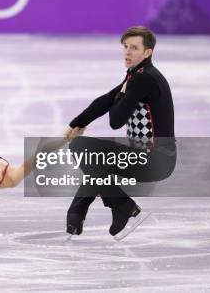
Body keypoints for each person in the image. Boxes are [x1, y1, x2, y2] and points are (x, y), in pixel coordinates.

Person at [65, 26, 176, 240]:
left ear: (147, 52)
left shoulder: (145, 79)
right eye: (125, 47)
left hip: (155, 160)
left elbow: (116, 120)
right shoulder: (138, 75)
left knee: (82, 149)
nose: (127, 52)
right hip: (147, 157)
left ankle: (124, 207)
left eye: (134, 48)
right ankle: (77, 214)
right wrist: (77, 124)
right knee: (94, 160)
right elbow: (106, 100)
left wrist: (121, 97)